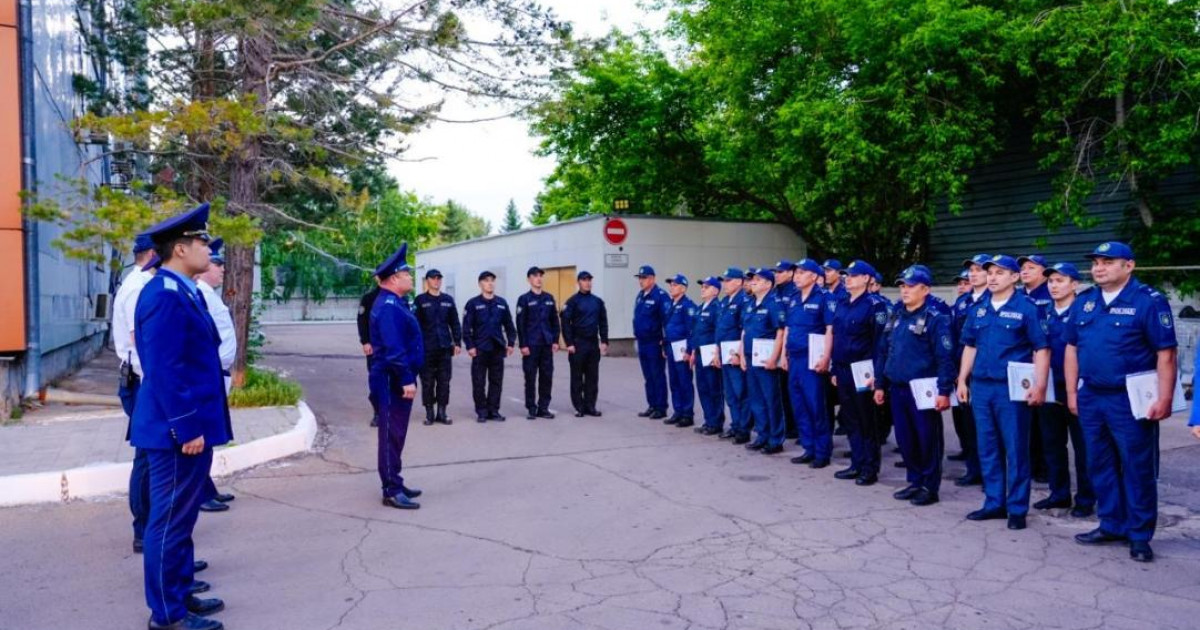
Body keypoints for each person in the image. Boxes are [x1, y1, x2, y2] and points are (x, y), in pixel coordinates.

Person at [132, 203, 229, 630]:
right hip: (176, 431)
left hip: (187, 427)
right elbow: (165, 369)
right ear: (181, 247)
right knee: (168, 522)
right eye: (202, 241)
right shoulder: (163, 295)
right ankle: (167, 615)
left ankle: (180, 591)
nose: (208, 248)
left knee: (183, 518)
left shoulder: (183, 289)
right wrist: (187, 425)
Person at [1066, 242, 1177, 562]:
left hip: (1130, 398)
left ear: (1129, 266)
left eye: (1108, 262)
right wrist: (1072, 393)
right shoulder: (1085, 302)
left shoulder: (1148, 302)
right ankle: (1111, 523)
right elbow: (1072, 348)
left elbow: (1165, 353)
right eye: (1096, 262)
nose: (1098, 267)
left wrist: (1165, 398)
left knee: (1136, 466)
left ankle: (1139, 534)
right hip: (1091, 396)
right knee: (1098, 463)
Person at [957, 254, 1049, 531]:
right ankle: (994, 502)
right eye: (991, 272)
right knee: (987, 446)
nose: (993, 277)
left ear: (1014, 277)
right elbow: (970, 346)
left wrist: (1040, 385)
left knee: (1016, 447)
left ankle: (1017, 507)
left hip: (1011, 388)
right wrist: (962, 380)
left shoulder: (1027, 308)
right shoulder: (979, 308)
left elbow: (1041, 348)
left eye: (1000, 272)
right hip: (982, 387)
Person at [874, 265, 955, 506]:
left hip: (923, 389)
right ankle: (915, 480)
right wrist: (879, 384)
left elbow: (945, 357)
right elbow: (885, 351)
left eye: (910, 286)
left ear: (925, 289)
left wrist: (944, 391)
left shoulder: (935, 319)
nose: (904, 290)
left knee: (926, 438)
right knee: (905, 438)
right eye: (902, 286)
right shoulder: (897, 316)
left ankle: (930, 487)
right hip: (897, 388)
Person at [368, 243, 425, 511]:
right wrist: (405, 379)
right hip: (392, 379)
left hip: (396, 377)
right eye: (407, 274)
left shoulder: (395, 303)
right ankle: (390, 489)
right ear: (394, 279)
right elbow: (393, 349)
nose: (411, 277)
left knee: (397, 433)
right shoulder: (389, 306)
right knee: (391, 433)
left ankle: (396, 480)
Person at [1036, 262, 1095, 517]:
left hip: (1078, 389)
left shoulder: (1085, 311)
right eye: (1051, 281)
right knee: (1052, 444)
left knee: (1084, 448)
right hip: (1049, 388)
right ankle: (1059, 493)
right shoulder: (1044, 312)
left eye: (1060, 280)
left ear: (1075, 284)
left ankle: (1085, 499)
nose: (1054, 285)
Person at [113, 234, 156, 553]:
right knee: (146, 455)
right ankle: (144, 529)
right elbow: (138, 341)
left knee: (149, 454)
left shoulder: (138, 283)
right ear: (153, 254)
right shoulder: (138, 287)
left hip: (141, 378)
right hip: (142, 380)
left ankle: (150, 529)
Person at [830, 260, 889, 486]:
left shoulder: (875, 305)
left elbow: (879, 343)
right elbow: (838, 338)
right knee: (851, 418)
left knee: (867, 420)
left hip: (863, 370)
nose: (848, 279)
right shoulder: (843, 303)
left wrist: (877, 374)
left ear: (866, 279)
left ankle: (869, 467)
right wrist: (835, 368)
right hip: (843, 368)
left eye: (853, 275)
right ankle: (856, 462)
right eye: (846, 275)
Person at [195, 239, 237, 514]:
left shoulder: (208, 293)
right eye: (217, 264)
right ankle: (199, 493)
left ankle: (206, 488)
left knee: (209, 439)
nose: (222, 269)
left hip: (218, 373)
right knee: (204, 439)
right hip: (210, 374)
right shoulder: (199, 293)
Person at [781, 258, 835, 468]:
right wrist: (784, 355)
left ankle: (822, 451)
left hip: (812, 358)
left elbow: (830, 329)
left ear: (813, 276)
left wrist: (826, 357)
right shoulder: (793, 298)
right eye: (796, 273)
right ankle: (808, 447)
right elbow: (789, 328)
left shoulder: (824, 297)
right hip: (794, 358)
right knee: (799, 405)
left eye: (802, 273)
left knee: (815, 405)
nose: (797, 276)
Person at [949, 254, 990, 487]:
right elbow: (956, 339)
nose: (973, 274)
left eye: (979, 270)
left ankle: (990, 473)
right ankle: (974, 468)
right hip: (963, 372)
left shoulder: (993, 300)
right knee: (967, 424)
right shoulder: (963, 302)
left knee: (987, 427)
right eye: (971, 270)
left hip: (985, 371)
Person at [741, 267, 787, 454]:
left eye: (758, 280)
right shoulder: (751, 303)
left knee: (771, 398)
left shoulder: (774, 303)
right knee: (756, 399)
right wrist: (742, 355)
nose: (753, 282)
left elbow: (780, 331)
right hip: (751, 356)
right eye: (752, 279)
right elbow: (744, 331)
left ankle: (775, 439)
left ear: (768, 284)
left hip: (766, 358)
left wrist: (774, 357)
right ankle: (762, 435)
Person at [462, 271, 516, 421]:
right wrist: (470, 346)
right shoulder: (473, 304)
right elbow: (466, 328)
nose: (490, 283)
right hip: (480, 348)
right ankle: (482, 411)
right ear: (480, 284)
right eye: (486, 281)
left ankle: (494, 410)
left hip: (497, 348)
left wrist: (511, 343)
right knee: (479, 382)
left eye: (492, 280)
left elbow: (509, 325)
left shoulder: (501, 303)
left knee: (496, 382)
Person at [1019, 254, 1053, 483]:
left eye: (1031, 267)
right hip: (1023, 368)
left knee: (1047, 423)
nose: (1025, 271)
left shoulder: (1050, 294)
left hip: (1047, 365)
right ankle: (1031, 464)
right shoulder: (1019, 297)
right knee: (1026, 420)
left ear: (1043, 271)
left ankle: (1045, 468)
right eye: (1022, 267)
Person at [414, 269, 462, 425]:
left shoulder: (448, 300)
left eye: (439, 278)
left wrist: (457, 342)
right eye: (433, 278)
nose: (436, 281)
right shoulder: (420, 301)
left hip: (444, 348)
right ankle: (430, 413)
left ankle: (442, 412)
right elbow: (414, 325)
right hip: (426, 348)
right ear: (427, 281)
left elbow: (455, 323)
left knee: (444, 381)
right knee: (427, 382)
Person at [561, 271, 608, 417]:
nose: (587, 283)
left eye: (589, 280)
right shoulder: (572, 302)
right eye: (584, 280)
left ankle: (590, 406)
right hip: (577, 344)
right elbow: (565, 323)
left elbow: (603, 322)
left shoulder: (597, 302)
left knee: (592, 377)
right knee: (577, 377)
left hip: (593, 344)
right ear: (578, 282)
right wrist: (569, 343)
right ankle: (579, 407)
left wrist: (604, 340)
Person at [517, 266, 561, 420]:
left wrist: (555, 340)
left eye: (540, 276)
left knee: (546, 376)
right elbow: (520, 324)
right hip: (531, 344)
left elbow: (555, 321)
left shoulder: (548, 298)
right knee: (530, 377)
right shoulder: (524, 299)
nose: (538, 278)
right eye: (535, 276)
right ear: (529, 279)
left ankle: (544, 407)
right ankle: (531, 408)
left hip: (546, 344)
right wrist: (523, 344)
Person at [716, 268, 752, 443]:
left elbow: (743, 330)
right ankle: (735, 425)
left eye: (728, 280)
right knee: (730, 394)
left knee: (740, 393)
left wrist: (739, 353)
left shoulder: (743, 301)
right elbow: (720, 329)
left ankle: (743, 429)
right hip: (723, 351)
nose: (725, 284)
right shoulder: (724, 302)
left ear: (739, 282)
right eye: (724, 280)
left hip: (735, 352)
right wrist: (717, 352)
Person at [633, 265, 671, 420]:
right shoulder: (641, 295)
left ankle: (661, 407)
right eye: (640, 278)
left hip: (655, 342)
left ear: (653, 279)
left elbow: (666, 321)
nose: (641, 281)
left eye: (644, 278)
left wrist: (664, 342)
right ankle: (652, 405)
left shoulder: (660, 296)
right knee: (648, 376)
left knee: (657, 375)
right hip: (642, 341)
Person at [690, 276, 725, 435]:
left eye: (706, 287)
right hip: (698, 352)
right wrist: (692, 352)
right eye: (702, 287)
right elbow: (695, 331)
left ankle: (716, 422)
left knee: (713, 388)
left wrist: (717, 352)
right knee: (703, 387)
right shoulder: (699, 307)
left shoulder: (717, 308)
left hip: (710, 351)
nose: (702, 289)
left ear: (716, 291)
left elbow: (718, 331)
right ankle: (708, 420)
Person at [663, 274, 697, 427]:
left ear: (683, 288)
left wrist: (689, 350)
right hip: (671, 346)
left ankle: (687, 414)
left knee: (684, 381)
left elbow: (691, 330)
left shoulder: (687, 306)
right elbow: (667, 327)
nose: (671, 287)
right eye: (671, 284)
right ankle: (678, 411)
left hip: (682, 347)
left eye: (675, 285)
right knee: (674, 381)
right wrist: (665, 345)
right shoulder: (671, 304)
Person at [773, 261, 800, 441]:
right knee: (781, 391)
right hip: (775, 346)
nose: (777, 274)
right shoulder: (776, 291)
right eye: (776, 271)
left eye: (781, 271)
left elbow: (787, 325)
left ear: (791, 273)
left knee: (792, 392)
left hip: (789, 346)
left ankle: (795, 427)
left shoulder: (793, 292)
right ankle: (788, 425)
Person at [357, 278, 382, 427]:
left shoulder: (397, 297)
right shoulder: (369, 298)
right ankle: (378, 413)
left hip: (393, 348)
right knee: (376, 381)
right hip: (374, 348)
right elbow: (362, 321)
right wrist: (365, 341)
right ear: (377, 278)